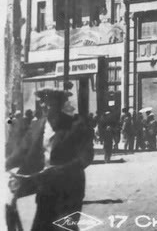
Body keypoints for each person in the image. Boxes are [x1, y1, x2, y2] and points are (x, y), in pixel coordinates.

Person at [6, 88, 94, 231]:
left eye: (48, 102)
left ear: (59, 104)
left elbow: (86, 156)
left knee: (65, 228)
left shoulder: (76, 125)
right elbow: (22, 151)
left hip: (69, 190)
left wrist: (59, 171)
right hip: (44, 189)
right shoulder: (36, 126)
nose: (44, 106)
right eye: (41, 102)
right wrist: (6, 164)